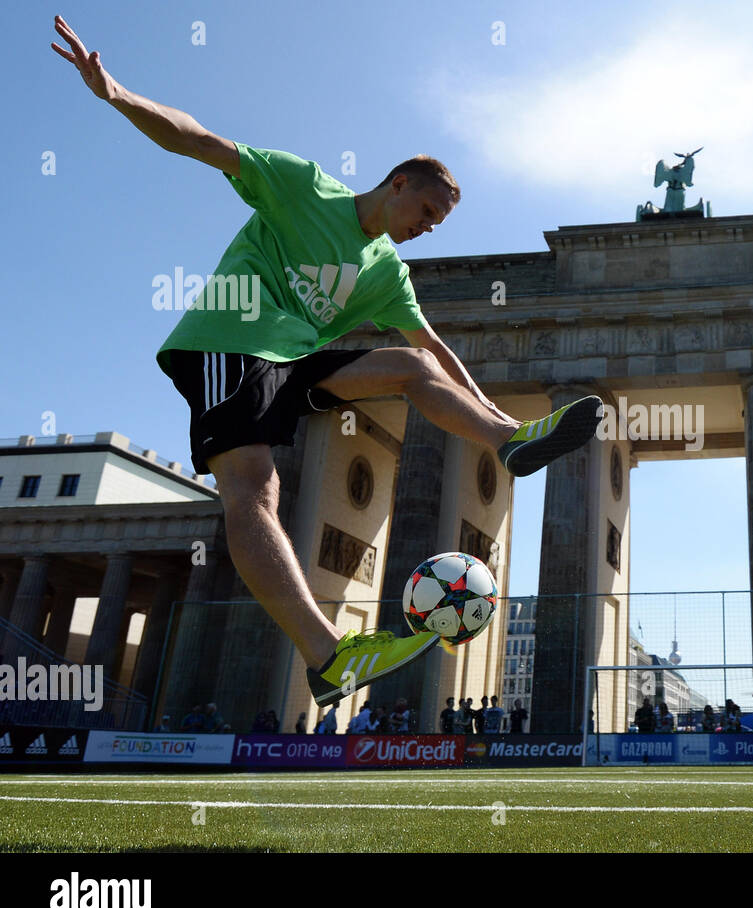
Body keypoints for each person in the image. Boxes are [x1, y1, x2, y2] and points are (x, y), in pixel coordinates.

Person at [51, 16, 603, 710]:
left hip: (291, 364)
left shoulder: (387, 273)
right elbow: (200, 141)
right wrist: (117, 94)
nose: (427, 227)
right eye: (427, 210)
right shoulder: (302, 186)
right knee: (255, 489)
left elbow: (435, 348)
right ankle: (326, 652)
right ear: (397, 183)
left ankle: (511, 444)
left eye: (439, 223)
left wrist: (501, 420)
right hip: (231, 341)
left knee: (416, 369)